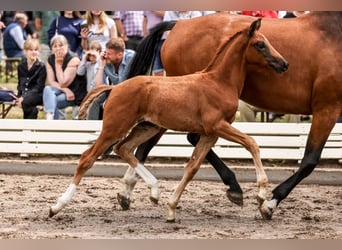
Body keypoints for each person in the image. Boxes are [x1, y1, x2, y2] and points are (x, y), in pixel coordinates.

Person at [87, 37, 135, 120]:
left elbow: (122, 83)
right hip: (115, 90)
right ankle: (92, 128)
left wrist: (110, 99)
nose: (106, 55)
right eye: (106, 52)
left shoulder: (131, 57)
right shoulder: (106, 60)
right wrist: (101, 66)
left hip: (131, 91)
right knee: (95, 99)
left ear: (120, 55)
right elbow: (96, 88)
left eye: (109, 54)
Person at [43, 34, 86, 120]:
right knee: (48, 89)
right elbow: (51, 82)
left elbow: (63, 82)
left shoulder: (73, 59)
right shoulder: (50, 59)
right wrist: (65, 90)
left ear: (67, 46)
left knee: (51, 101)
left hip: (75, 93)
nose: (58, 48)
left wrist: (58, 64)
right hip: (63, 90)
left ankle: (52, 125)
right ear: (51, 49)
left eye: (61, 45)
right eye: (55, 46)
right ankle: (50, 116)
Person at [16, 39, 46, 119]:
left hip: (38, 95)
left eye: (36, 50)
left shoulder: (41, 67)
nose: (34, 52)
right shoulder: (21, 66)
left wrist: (24, 97)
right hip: (24, 96)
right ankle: (29, 128)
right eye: (31, 50)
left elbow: (39, 87)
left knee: (26, 102)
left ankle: (27, 127)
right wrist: (19, 96)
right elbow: (20, 84)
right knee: (27, 103)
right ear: (25, 51)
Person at [143, 11, 164, 76]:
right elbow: (145, 20)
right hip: (152, 38)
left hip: (163, 38)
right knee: (156, 67)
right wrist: (145, 35)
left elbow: (164, 15)